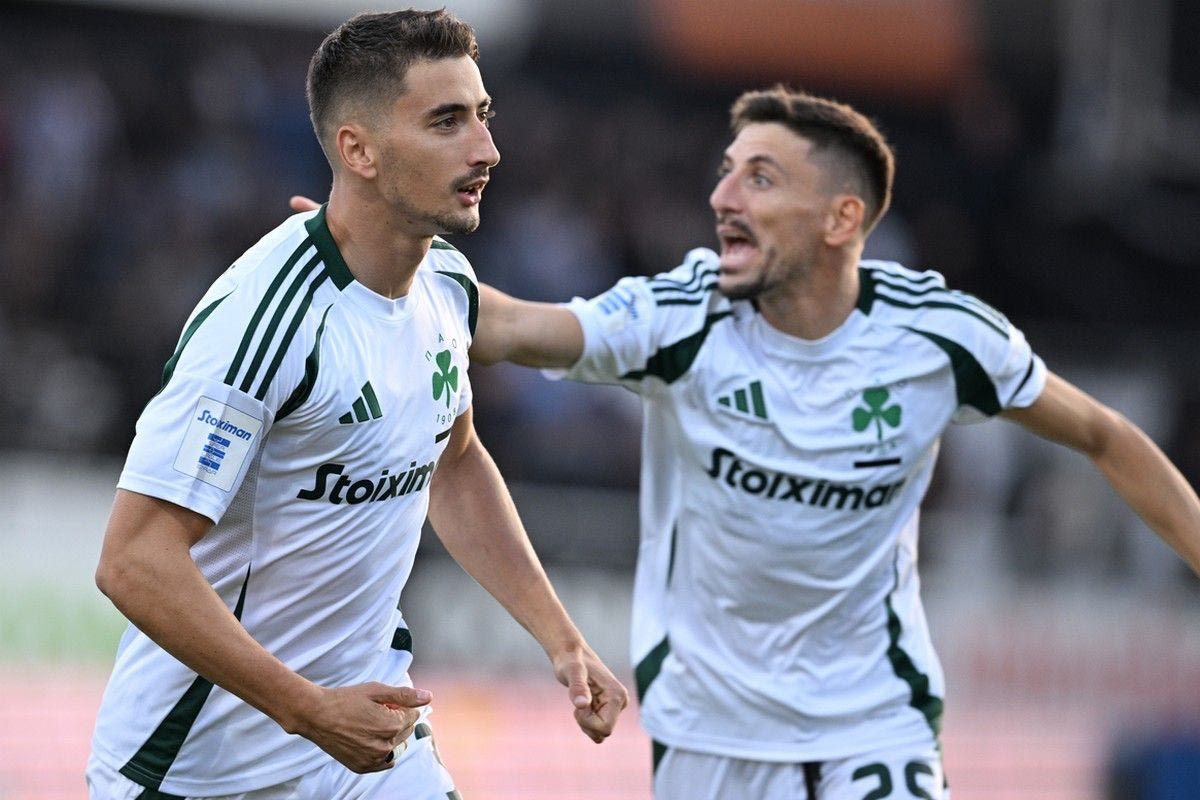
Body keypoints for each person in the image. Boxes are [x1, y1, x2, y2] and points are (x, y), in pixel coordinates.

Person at [465, 86, 1200, 798]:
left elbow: (1105, 435)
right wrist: (405, 250)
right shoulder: (680, 318)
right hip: (710, 731)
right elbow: (508, 327)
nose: (722, 198)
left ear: (840, 218)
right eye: (726, 173)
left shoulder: (938, 338)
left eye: (760, 178)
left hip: (876, 722)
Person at [87, 10, 627, 800]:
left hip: (367, 737)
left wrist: (562, 639)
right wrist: (307, 711)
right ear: (359, 151)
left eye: (482, 115)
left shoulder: (445, 284)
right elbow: (134, 561)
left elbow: (454, 463)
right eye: (446, 121)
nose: (486, 149)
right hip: (197, 767)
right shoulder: (267, 320)